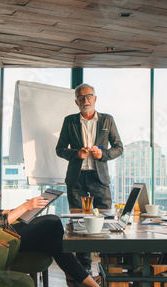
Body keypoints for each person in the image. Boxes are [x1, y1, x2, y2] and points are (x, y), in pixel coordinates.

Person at [0, 136, 101, 287]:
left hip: (3, 229)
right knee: (52, 221)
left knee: (54, 242)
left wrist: (24, 208)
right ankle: (83, 283)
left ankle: (85, 283)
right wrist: (24, 207)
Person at [56, 83, 123, 273]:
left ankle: (109, 269)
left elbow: (118, 147)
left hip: (99, 178)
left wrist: (103, 154)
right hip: (76, 180)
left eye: (89, 96)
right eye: (81, 97)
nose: (85, 100)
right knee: (79, 224)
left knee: (107, 221)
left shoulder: (107, 120)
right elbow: (60, 149)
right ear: (76, 102)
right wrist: (76, 154)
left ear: (95, 98)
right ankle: (83, 271)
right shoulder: (69, 121)